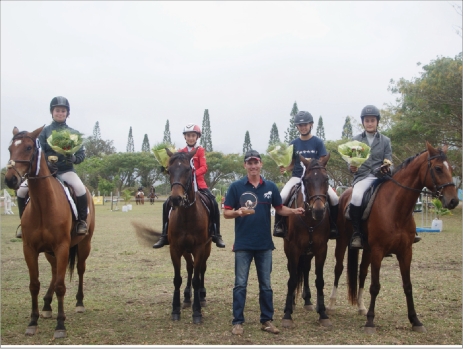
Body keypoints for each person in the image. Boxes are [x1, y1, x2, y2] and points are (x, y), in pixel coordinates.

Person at [223, 150, 305, 336]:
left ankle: (266, 320)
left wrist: (294, 211)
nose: (253, 166)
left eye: (256, 163)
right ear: (245, 166)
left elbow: (279, 208)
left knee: (266, 285)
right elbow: (226, 213)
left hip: (264, 245)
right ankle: (237, 322)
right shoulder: (236, 187)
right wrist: (237, 212)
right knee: (240, 285)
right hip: (243, 244)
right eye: (249, 163)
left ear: (261, 165)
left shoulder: (270, 187)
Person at [348, 105, 422, 249]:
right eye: (367, 120)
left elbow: (389, 161)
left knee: (403, 195)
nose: (370, 123)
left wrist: (387, 167)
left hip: (381, 177)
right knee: (356, 196)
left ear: (377, 122)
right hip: (362, 177)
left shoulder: (385, 141)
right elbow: (351, 163)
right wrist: (352, 167)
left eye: (372, 120)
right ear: (363, 122)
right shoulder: (356, 140)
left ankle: (411, 228)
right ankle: (357, 233)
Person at [15, 96, 89, 238]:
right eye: (57, 110)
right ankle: (23, 224)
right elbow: (38, 151)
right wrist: (47, 162)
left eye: (63, 111)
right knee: (21, 191)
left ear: (67, 113)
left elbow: (81, 154)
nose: (60, 113)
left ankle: (81, 222)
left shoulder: (74, 133)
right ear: (52, 112)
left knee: (80, 189)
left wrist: (73, 158)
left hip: (66, 170)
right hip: (46, 172)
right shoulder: (44, 132)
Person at [153, 123, 225, 248]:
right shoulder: (180, 152)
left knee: (213, 202)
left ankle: (216, 234)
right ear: (185, 137)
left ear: (197, 137)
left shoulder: (200, 150)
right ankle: (164, 235)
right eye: (188, 136)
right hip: (184, 186)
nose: (190, 138)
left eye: (193, 135)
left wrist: (193, 174)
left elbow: (204, 167)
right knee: (166, 204)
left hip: (200, 184)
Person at [273, 110, 339, 239]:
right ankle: (279, 225)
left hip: (314, 179)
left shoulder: (318, 142)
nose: (303, 127)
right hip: (297, 176)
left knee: (335, 198)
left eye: (305, 125)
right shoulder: (293, 144)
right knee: (281, 196)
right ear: (297, 127)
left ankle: (333, 226)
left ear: (311, 125)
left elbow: (322, 161)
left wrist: (313, 164)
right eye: (300, 125)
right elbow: (292, 163)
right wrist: (285, 168)